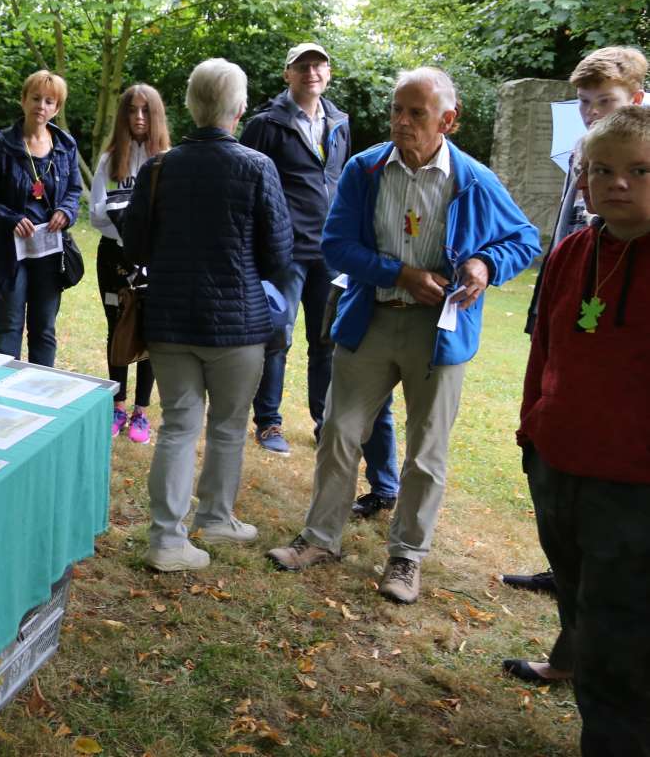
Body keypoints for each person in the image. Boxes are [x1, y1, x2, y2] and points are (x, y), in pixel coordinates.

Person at [268, 67, 539, 604]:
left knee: (426, 451)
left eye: (417, 113)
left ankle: (406, 558)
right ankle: (320, 538)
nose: (402, 121)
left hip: (438, 335)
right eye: (397, 110)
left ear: (448, 120)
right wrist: (400, 275)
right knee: (339, 432)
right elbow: (336, 246)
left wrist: (485, 263)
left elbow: (524, 239)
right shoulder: (365, 170)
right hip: (371, 320)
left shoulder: (473, 180)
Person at [502, 44, 646, 684]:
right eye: (602, 170)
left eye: (639, 171)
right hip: (560, 454)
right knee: (576, 577)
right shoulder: (571, 249)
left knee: (620, 628)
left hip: (630, 476)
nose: (618, 182)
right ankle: (569, 659)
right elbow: (549, 346)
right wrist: (536, 426)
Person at [120, 59, 292, 572]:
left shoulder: (158, 168)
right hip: (238, 324)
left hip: (171, 318)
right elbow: (279, 255)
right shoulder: (257, 167)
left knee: (177, 425)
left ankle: (168, 537)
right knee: (227, 424)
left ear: (192, 107)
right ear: (238, 109)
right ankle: (215, 515)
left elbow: (134, 244)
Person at [239, 42, 351, 455]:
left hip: (330, 250)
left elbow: (339, 181)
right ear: (287, 74)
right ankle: (268, 422)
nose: (312, 73)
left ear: (329, 73)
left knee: (326, 341)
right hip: (284, 250)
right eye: (302, 66)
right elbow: (246, 185)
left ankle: (325, 423)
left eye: (318, 65)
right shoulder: (265, 124)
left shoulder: (339, 121)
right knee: (276, 337)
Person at [0, 70, 82, 367]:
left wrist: (66, 212)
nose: (41, 106)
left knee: (44, 328)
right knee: (9, 325)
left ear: (56, 108)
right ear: (23, 101)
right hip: (8, 251)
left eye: (49, 101)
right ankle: (3, 396)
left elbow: (74, 190)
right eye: (35, 98)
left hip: (48, 252)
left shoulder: (66, 145)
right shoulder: (0, 144)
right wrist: (10, 218)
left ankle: (41, 396)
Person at [88, 83, 171, 443]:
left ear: (156, 116)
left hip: (156, 260)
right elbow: (96, 213)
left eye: (145, 111)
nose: (138, 118)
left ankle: (141, 412)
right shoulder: (109, 160)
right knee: (118, 327)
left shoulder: (169, 159)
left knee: (152, 331)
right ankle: (117, 405)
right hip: (114, 257)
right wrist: (128, 232)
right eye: (131, 111)